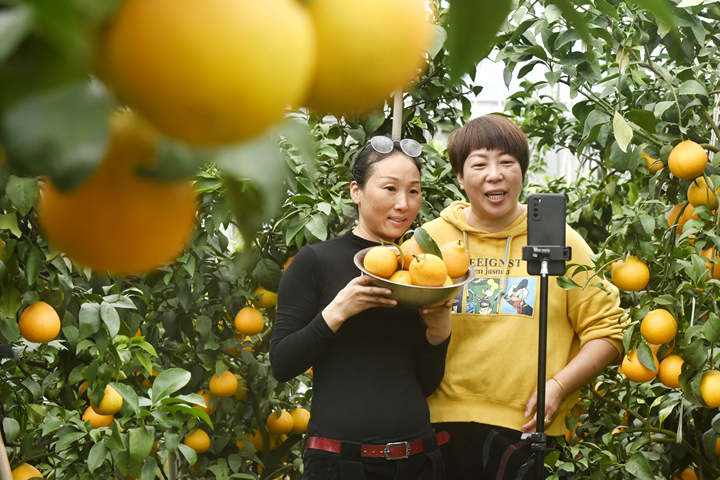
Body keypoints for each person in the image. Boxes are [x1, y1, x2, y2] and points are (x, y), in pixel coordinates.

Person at [420, 115, 625, 479]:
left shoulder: (558, 241)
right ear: (459, 177)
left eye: (507, 162)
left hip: (528, 427)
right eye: (479, 164)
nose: (494, 174)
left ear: (523, 172)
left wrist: (558, 386)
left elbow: (607, 331)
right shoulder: (430, 241)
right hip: (438, 423)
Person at [270, 136, 453, 480]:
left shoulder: (420, 269)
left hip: (417, 459)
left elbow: (426, 383)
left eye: (413, 191)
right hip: (338, 463)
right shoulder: (315, 262)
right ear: (356, 191)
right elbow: (282, 363)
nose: (403, 203)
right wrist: (337, 311)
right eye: (390, 189)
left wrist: (439, 331)